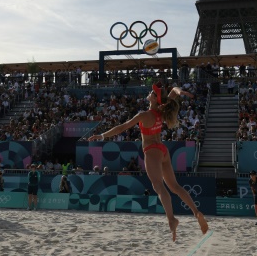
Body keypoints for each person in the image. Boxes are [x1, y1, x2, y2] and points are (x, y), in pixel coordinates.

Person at [88, 81, 208, 241]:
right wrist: (181, 93)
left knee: (159, 187)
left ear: (154, 99)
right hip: (163, 150)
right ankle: (195, 211)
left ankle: (171, 219)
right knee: (175, 186)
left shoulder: (144, 115)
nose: (150, 93)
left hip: (152, 151)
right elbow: (173, 90)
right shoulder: (161, 109)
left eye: (152, 93)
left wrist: (101, 136)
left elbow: (122, 127)